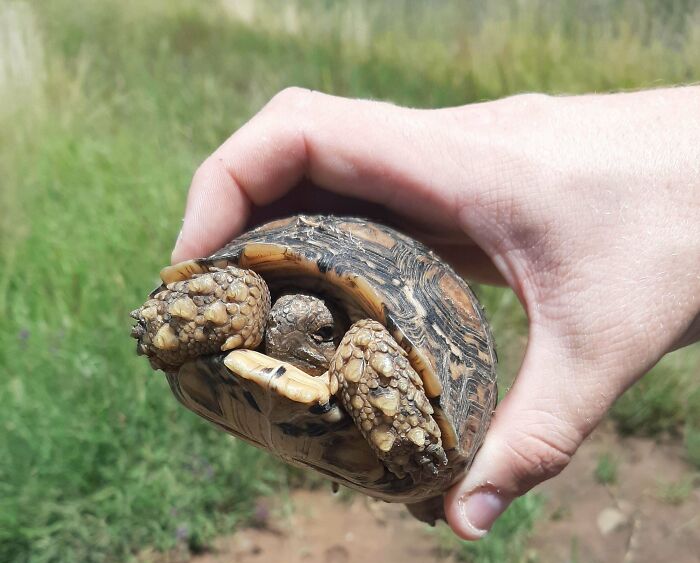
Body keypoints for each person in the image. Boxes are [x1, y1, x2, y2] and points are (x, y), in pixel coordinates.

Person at [171, 87, 700, 540]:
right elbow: (209, 303)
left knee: (367, 352)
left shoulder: (363, 345)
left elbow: (367, 349)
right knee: (239, 297)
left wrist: (425, 462)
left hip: (380, 381)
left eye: (322, 329)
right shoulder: (251, 301)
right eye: (280, 315)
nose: (286, 328)